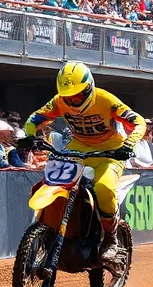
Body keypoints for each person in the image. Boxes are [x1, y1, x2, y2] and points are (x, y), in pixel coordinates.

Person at [22, 61, 146, 264]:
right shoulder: (59, 101)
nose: (72, 100)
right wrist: (29, 136)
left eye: (78, 95)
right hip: (77, 149)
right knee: (53, 183)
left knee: (103, 188)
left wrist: (129, 144)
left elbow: (137, 121)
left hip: (110, 152)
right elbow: (35, 118)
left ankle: (111, 239)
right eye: (68, 96)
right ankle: (51, 229)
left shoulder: (105, 99)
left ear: (89, 87)